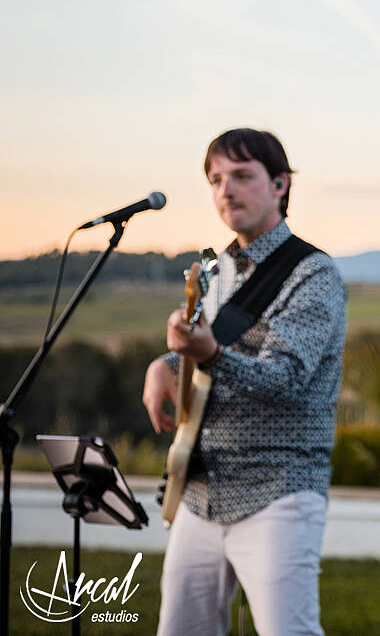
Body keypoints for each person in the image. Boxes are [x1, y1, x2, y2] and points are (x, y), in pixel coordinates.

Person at [141, 128, 346, 636]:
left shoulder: (313, 274)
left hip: (278, 491)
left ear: (280, 185)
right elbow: (208, 343)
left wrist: (207, 354)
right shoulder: (218, 269)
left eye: (241, 176)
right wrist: (163, 364)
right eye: (214, 180)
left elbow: (285, 379)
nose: (225, 191)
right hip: (202, 490)